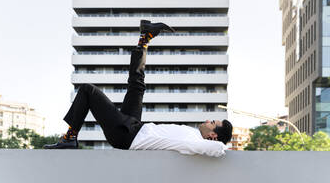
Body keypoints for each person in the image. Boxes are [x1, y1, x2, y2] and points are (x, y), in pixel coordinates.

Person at [43, 20, 233, 157]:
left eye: (212, 122)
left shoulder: (197, 144)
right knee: (137, 86)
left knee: (87, 90)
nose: (208, 120)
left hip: (127, 135)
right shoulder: (193, 136)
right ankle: (145, 37)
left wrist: (222, 146)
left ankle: (69, 138)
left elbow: (217, 150)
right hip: (135, 126)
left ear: (213, 135)